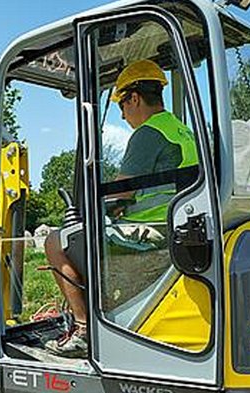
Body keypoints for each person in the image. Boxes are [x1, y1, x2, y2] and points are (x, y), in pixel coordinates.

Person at [43, 59, 198, 358]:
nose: (123, 115)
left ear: (135, 98)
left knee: (54, 242)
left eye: (121, 106)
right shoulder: (181, 130)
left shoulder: (148, 133)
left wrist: (93, 206)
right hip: (173, 224)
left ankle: (84, 329)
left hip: (153, 232)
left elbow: (119, 190)